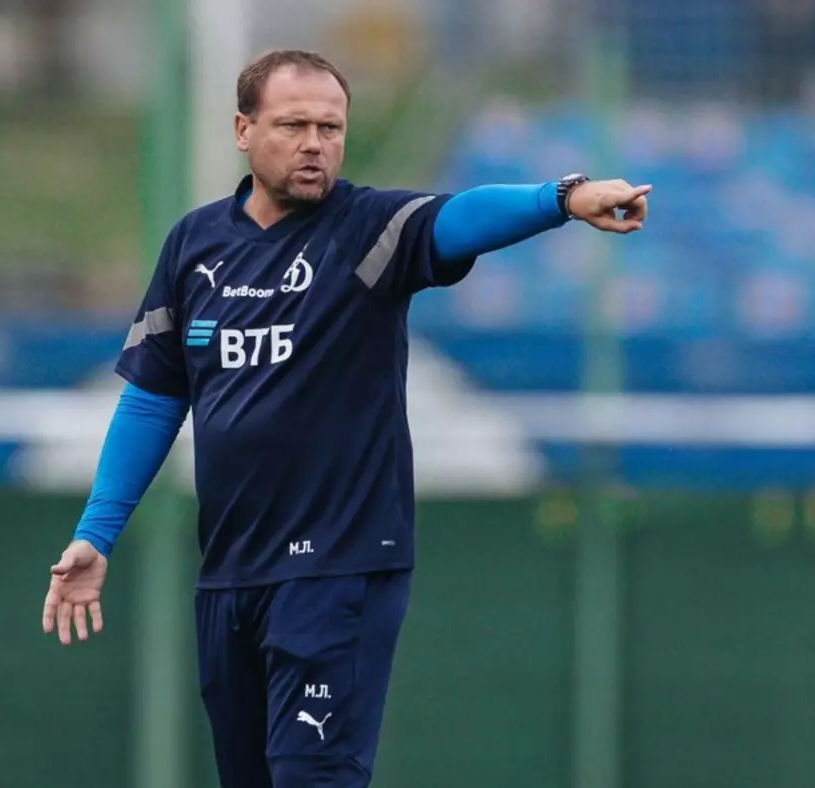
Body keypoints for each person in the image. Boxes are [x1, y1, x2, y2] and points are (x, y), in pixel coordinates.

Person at [40, 48, 651, 788]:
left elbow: (458, 217)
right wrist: (95, 534)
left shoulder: (367, 232)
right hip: (231, 571)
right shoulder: (195, 246)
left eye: (330, 128)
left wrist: (563, 197)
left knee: (313, 776)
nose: (315, 144)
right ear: (243, 129)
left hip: (338, 568)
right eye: (293, 125)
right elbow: (154, 398)